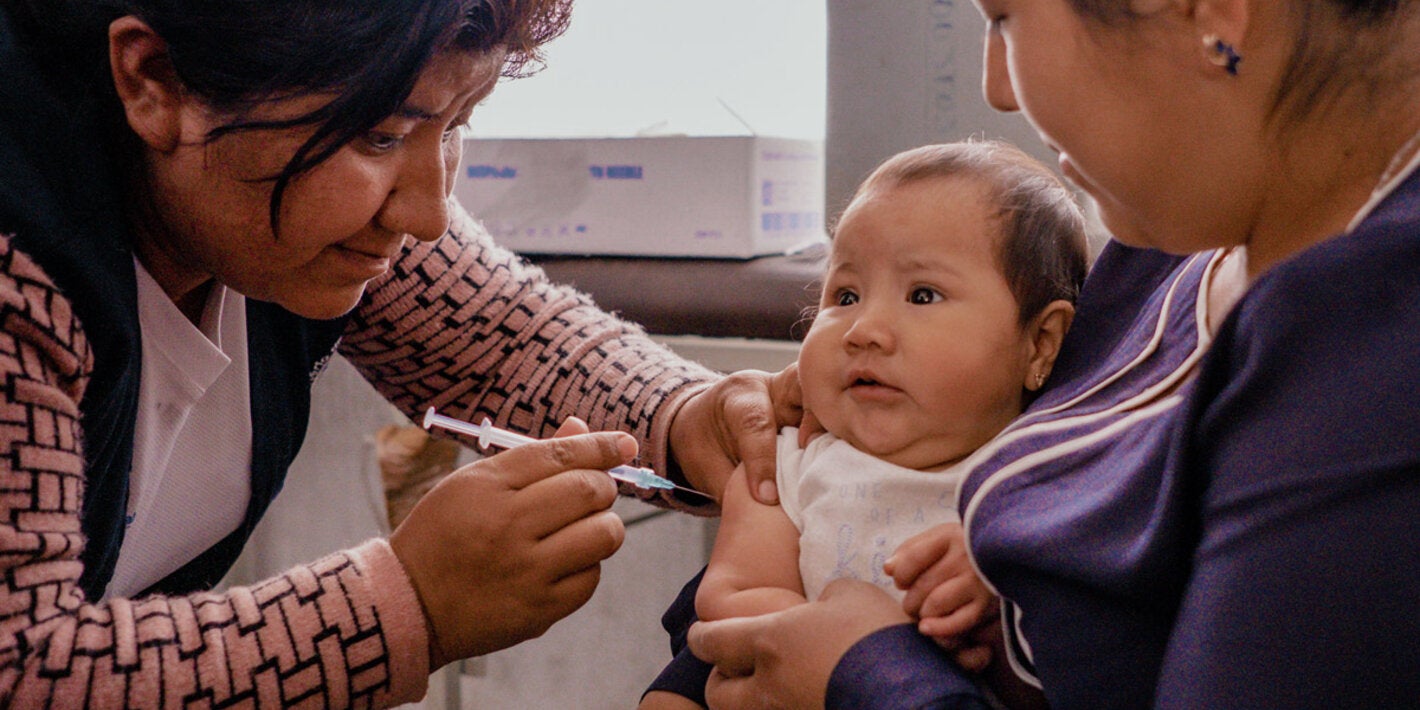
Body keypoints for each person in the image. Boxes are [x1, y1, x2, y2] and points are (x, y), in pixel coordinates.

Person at [0, 0, 799, 705]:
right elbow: (21, 670)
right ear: (155, 81)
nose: (427, 213)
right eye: (381, 135)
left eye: (455, 126)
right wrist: (406, 605)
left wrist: (693, 418)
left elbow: (508, 345)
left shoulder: (276, 189)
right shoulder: (22, 258)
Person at [687, 0, 1420, 707]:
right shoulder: (1159, 252)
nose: (997, 89)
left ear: (1208, 8)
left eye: (1006, 18)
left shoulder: (1376, 351)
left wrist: (870, 677)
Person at [640, 141, 1088, 709]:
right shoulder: (788, 463)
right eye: (845, 295)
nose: (864, 329)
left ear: (1039, 344)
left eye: (922, 295)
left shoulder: (1047, 479)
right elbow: (731, 597)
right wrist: (859, 645)